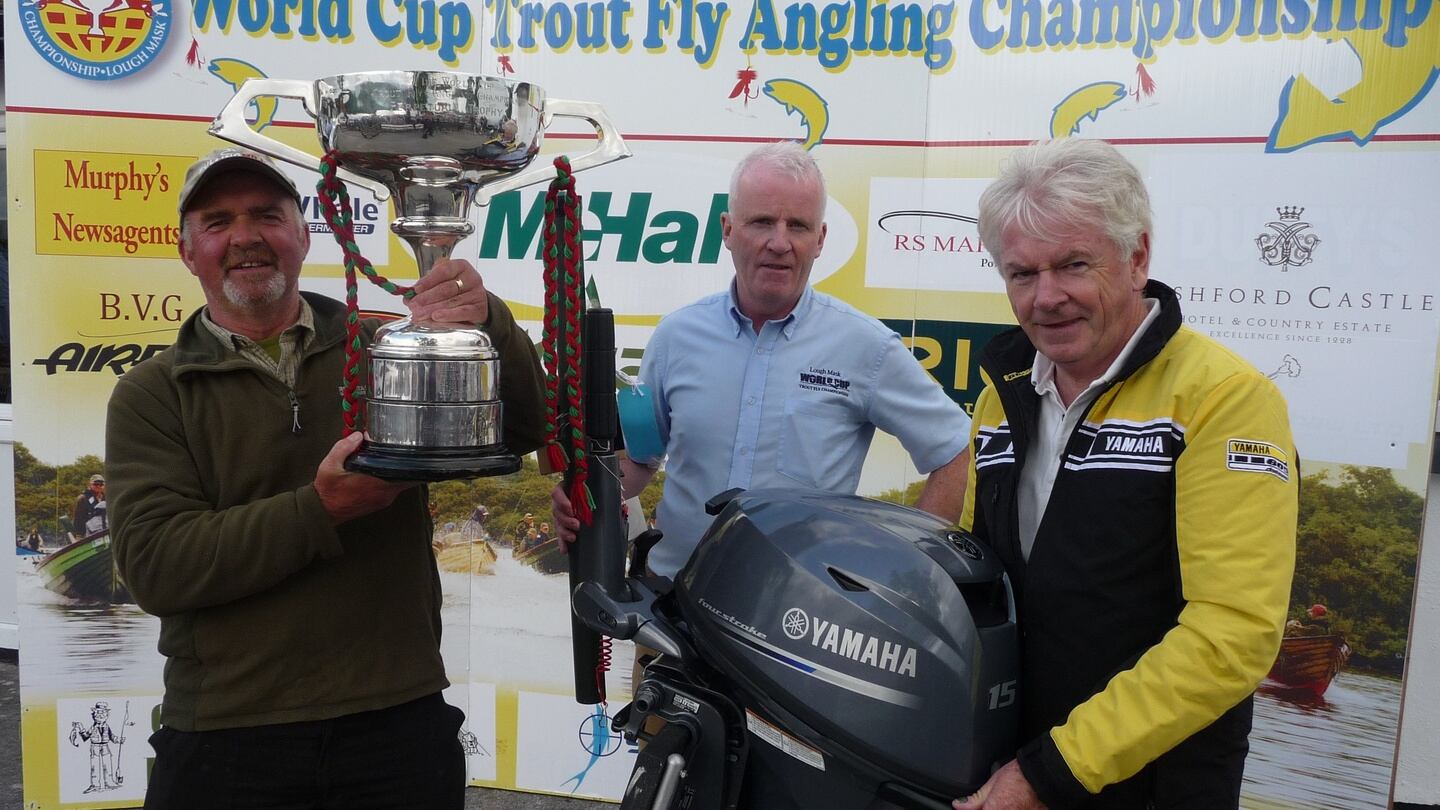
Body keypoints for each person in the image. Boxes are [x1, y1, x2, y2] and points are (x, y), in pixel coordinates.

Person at [106, 147, 546, 810]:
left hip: (396, 719)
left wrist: (488, 325)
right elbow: (158, 567)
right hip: (225, 734)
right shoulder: (152, 393)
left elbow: (523, 429)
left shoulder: (384, 345)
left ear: (303, 235)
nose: (246, 236)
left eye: (267, 215)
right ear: (187, 249)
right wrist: (322, 509)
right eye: (218, 221)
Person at [955, 139, 1297, 809]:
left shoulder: (1224, 397)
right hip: (1009, 775)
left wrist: (1050, 772)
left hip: (1153, 785)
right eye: (1021, 274)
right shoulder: (1003, 395)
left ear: (1137, 256)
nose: (1046, 298)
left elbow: (1234, 634)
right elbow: (977, 586)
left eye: (1073, 265)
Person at [552, 141, 971, 579]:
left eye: (799, 226)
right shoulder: (677, 336)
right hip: (671, 606)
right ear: (728, 230)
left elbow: (956, 452)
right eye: (762, 222)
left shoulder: (866, 347)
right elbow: (640, 460)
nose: (779, 242)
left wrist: (909, 568)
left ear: (820, 240)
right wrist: (586, 494)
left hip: (797, 620)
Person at [69, 700, 127, 794]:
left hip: (105, 746)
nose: (100, 715)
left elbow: (112, 737)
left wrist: (119, 740)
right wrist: (80, 728)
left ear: (106, 714)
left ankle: (109, 782)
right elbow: (85, 737)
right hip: (94, 747)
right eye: (98, 712)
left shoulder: (107, 726)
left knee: (107, 763)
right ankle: (94, 785)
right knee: (94, 766)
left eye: (103, 713)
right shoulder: (93, 727)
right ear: (94, 714)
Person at [72, 474, 107, 540]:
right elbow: (78, 519)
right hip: (86, 533)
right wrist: (79, 535)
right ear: (90, 485)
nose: (99, 486)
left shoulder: (106, 498)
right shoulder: (82, 498)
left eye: (101, 484)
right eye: (96, 484)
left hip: (102, 531)